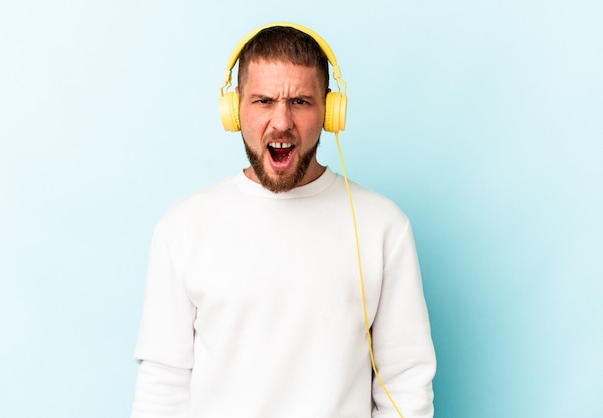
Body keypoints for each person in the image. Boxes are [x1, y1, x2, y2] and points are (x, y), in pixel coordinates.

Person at [131, 23, 436, 418]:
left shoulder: (383, 227)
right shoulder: (183, 227)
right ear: (234, 108)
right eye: (263, 101)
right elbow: (163, 385)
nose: (281, 122)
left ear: (330, 111)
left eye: (300, 102)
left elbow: (406, 382)